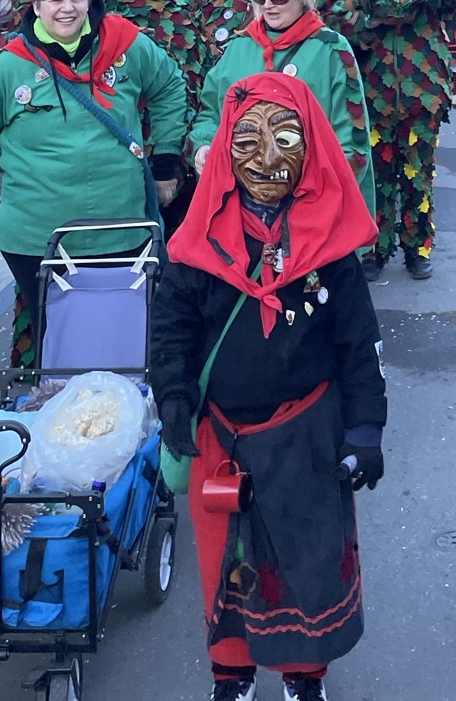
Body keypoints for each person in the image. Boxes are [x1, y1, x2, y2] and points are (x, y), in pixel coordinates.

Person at [151, 74, 386, 701]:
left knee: (307, 561)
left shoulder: (330, 248)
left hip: (308, 433)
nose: (267, 159)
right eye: (249, 141)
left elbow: (358, 342)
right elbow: (170, 332)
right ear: (226, 148)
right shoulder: (196, 242)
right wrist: (173, 399)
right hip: (221, 436)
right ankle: (232, 675)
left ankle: (304, 676)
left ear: (309, 150)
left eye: (285, 139)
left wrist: (366, 428)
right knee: (227, 564)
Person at [0, 0, 187, 348]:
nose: (67, 8)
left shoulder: (126, 45)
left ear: (90, 1)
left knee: (124, 339)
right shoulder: (10, 67)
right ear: (36, 6)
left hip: (122, 229)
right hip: (38, 237)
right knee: (58, 340)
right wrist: (28, 167)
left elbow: (169, 87)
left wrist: (166, 163)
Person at [193, 0, 374, 213]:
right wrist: (203, 146)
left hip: (309, 203)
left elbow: (352, 136)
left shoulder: (331, 51)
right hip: (239, 206)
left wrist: (323, 200)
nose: (267, 5)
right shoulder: (238, 47)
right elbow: (210, 113)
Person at [346, 0, 456, 280]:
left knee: (418, 180)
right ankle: (375, 249)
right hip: (377, 101)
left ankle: (417, 249)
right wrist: (371, 21)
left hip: (421, 98)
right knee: (379, 179)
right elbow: (342, 16)